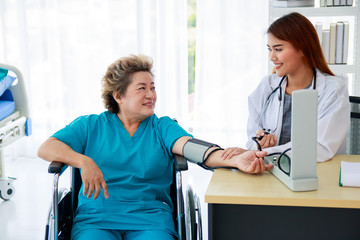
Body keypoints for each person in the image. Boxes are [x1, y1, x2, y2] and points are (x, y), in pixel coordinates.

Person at [38, 54, 272, 240]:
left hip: (150, 219)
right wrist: (83, 161)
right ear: (119, 95)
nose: (151, 94)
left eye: (153, 87)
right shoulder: (90, 125)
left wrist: (232, 159)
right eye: (142, 88)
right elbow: (47, 147)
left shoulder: (161, 126)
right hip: (96, 219)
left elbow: (189, 147)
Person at [222, 12, 350, 163]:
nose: (271, 57)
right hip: (270, 170)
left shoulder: (333, 90)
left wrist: (265, 152)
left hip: (315, 173)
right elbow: (251, 142)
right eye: (269, 49)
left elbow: (320, 148)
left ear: (302, 49)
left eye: (278, 49)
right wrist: (259, 143)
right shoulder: (267, 86)